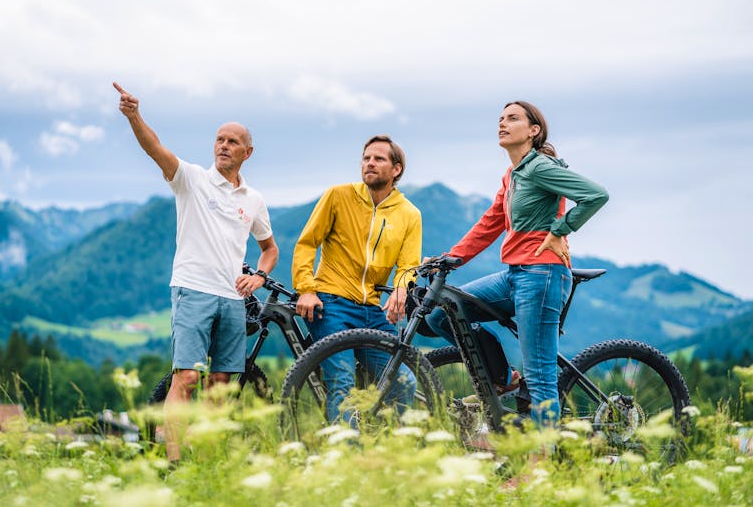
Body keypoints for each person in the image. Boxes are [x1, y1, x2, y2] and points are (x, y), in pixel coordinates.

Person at [113, 82, 278, 463]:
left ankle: (205, 459)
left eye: (232, 141)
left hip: (233, 299)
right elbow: (155, 149)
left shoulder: (253, 200)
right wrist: (135, 115)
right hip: (192, 290)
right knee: (186, 378)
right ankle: (173, 463)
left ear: (247, 152)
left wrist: (259, 277)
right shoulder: (191, 179)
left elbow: (269, 249)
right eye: (219, 139)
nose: (223, 145)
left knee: (221, 386)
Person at [427, 101, 608, 429]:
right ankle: (504, 377)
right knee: (444, 313)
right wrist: (449, 260)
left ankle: (540, 467)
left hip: (542, 275)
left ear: (533, 131)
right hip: (514, 274)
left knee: (540, 378)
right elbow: (490, 222)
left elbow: (596, 195)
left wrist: (559, 232)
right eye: (500, 118)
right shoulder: (513, 174)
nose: (502, 123)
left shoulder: (540, 167)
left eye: (512, 118)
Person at [292, 135, 422, 424]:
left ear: (396, 169)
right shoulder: (338, 196)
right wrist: (306, 289)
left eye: (378, 159)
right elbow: (306, 244)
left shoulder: (410, 214)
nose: (369, 164)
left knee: (403, 382)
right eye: (366, 158)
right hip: (330, 304)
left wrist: (401, 290)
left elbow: (408, 265)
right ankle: (345, 460)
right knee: (343, 384)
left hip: (372, 312)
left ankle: (383, 447)